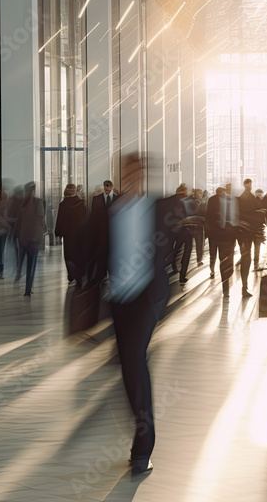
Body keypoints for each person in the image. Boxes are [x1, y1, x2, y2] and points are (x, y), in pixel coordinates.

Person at [106, 153, 170, 476]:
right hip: (119, 299)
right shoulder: (110, 210)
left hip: (147, 298)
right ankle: (140, 437)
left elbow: (172, 244)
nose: (133, 177)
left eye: (139, 172)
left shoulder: (157, 208)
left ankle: (143, 447)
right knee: (129, 370)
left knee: (133, 357)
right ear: (121, 175)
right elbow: (92, 246)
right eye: (128, 172)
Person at [206, 187, 242, 296]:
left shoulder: (229, 201)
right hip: (219, 233)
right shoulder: (214, 200)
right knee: (220, 257)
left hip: (224, 234)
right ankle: (224, 283)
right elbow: (209, 216)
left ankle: (225, 284)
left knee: (223, 258)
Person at [17, 182, 46, 297]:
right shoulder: (38, 202)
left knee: (22, 262)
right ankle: (28, 289)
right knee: (31, 263)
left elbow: (18, 221)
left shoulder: (22, 204)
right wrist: (44, 230)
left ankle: (24, 284)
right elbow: (41, 218)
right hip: (34, 237)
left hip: (24, 237)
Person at [54, 184, 88, 284]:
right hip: (79, 235)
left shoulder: (63, 205)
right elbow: (85, 220)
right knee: (79, 254)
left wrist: (57, 232)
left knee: (68, 254)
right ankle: (79, 274)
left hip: (68, 235)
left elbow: (60, 220)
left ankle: (71, 274)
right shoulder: (80, 204)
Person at [238, 179, 263, 292]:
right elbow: (252, 211)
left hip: (246, 231)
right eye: (248, 185)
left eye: (250, 184)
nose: (249, 186)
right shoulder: (248, 198)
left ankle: (244, 286)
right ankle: (244, 286)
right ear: (245, 185)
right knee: (247, 257)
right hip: (250, 230)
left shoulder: (245, 197)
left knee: (246, 256)